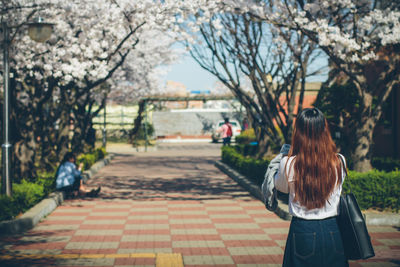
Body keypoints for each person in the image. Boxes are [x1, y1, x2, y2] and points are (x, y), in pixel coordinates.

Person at [274, 108, 348, 267]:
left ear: (298, 132)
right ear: (324, 130)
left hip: (302, 230)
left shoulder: (288, 163)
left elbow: (281, 188)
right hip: (332, 230)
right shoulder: (339, 162)